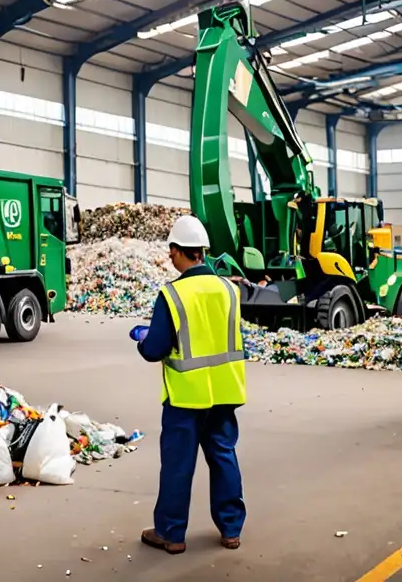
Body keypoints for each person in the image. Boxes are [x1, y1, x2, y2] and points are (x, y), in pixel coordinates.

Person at [131, 215, 246, 555]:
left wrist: (142, 338)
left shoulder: (173, 294)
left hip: (186, 397)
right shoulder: (230, 290)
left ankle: (171, 534)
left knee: (178, 467)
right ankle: (231, 529)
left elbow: (155, 350)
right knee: (224, 458)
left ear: (181, 252)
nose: (171, 259)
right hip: (225, 393)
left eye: (172, 253)